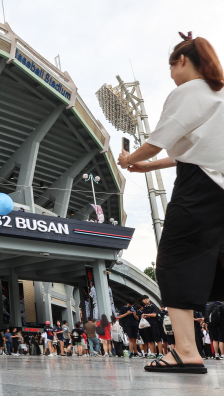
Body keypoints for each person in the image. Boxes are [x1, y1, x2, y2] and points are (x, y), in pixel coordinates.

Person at [118, 33, 223, 374]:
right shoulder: (218, 93)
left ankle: (186, 352)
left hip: (201, 187)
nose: (171, 75)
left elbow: (157, 141)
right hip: (216, 180)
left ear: (180, 61)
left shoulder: (187, 91)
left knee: (174, 260)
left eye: (171, 67)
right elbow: (196, 149)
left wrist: (130, 158)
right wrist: (147, 166)